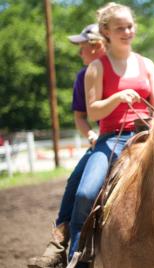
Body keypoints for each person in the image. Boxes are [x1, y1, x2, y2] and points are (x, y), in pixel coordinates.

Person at [68, 2, 154, 267]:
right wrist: (119, 97)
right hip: (112, 139)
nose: (127, 31)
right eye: (119, 27)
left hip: (148, 134)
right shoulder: (96, 68)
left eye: (130, 26)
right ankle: (77, 251)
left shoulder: (147, 64)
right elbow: (94, 113)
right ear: (105, 31)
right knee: (85, 193)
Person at [27, 23, 106, 268]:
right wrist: (92, 135)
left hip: (140, 135)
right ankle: (59, 246)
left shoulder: (127, 67)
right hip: (104, 139)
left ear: (97, 46)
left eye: (82, 47)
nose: (79, 53)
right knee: (76, 185)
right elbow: (81, 116)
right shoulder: (84, 76)